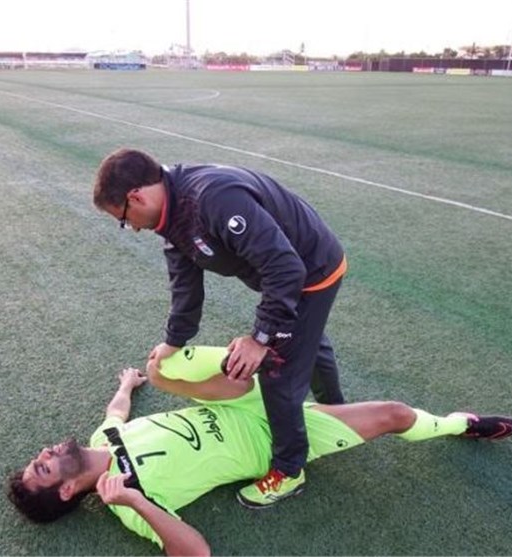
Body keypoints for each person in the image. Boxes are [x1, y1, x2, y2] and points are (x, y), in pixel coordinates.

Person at [7, 346, 512, 556]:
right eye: (43, 467)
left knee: (165, 364)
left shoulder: (103, 438)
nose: (45, 452)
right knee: (394, 414)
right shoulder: (128, 501)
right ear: (67, 490)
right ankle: (461, 423)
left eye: (38, 458)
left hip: (240, 402)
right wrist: (134, 501)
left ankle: (263, 347)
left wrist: (128, 384)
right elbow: (196, 552)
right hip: (274, 440)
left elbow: (116, 411)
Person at [92, 148, 349, 506]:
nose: (132, 227)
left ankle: (289, 470)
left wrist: (260, 337)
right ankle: (338, 410)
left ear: (136, 197)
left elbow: (285, 268)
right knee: (307, 340)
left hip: (310, 272)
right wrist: (173, 341)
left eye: (123, 219)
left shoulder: (212, 198)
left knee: (278, 367)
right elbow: (185, 285)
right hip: (286, 274)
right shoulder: (171, 215)